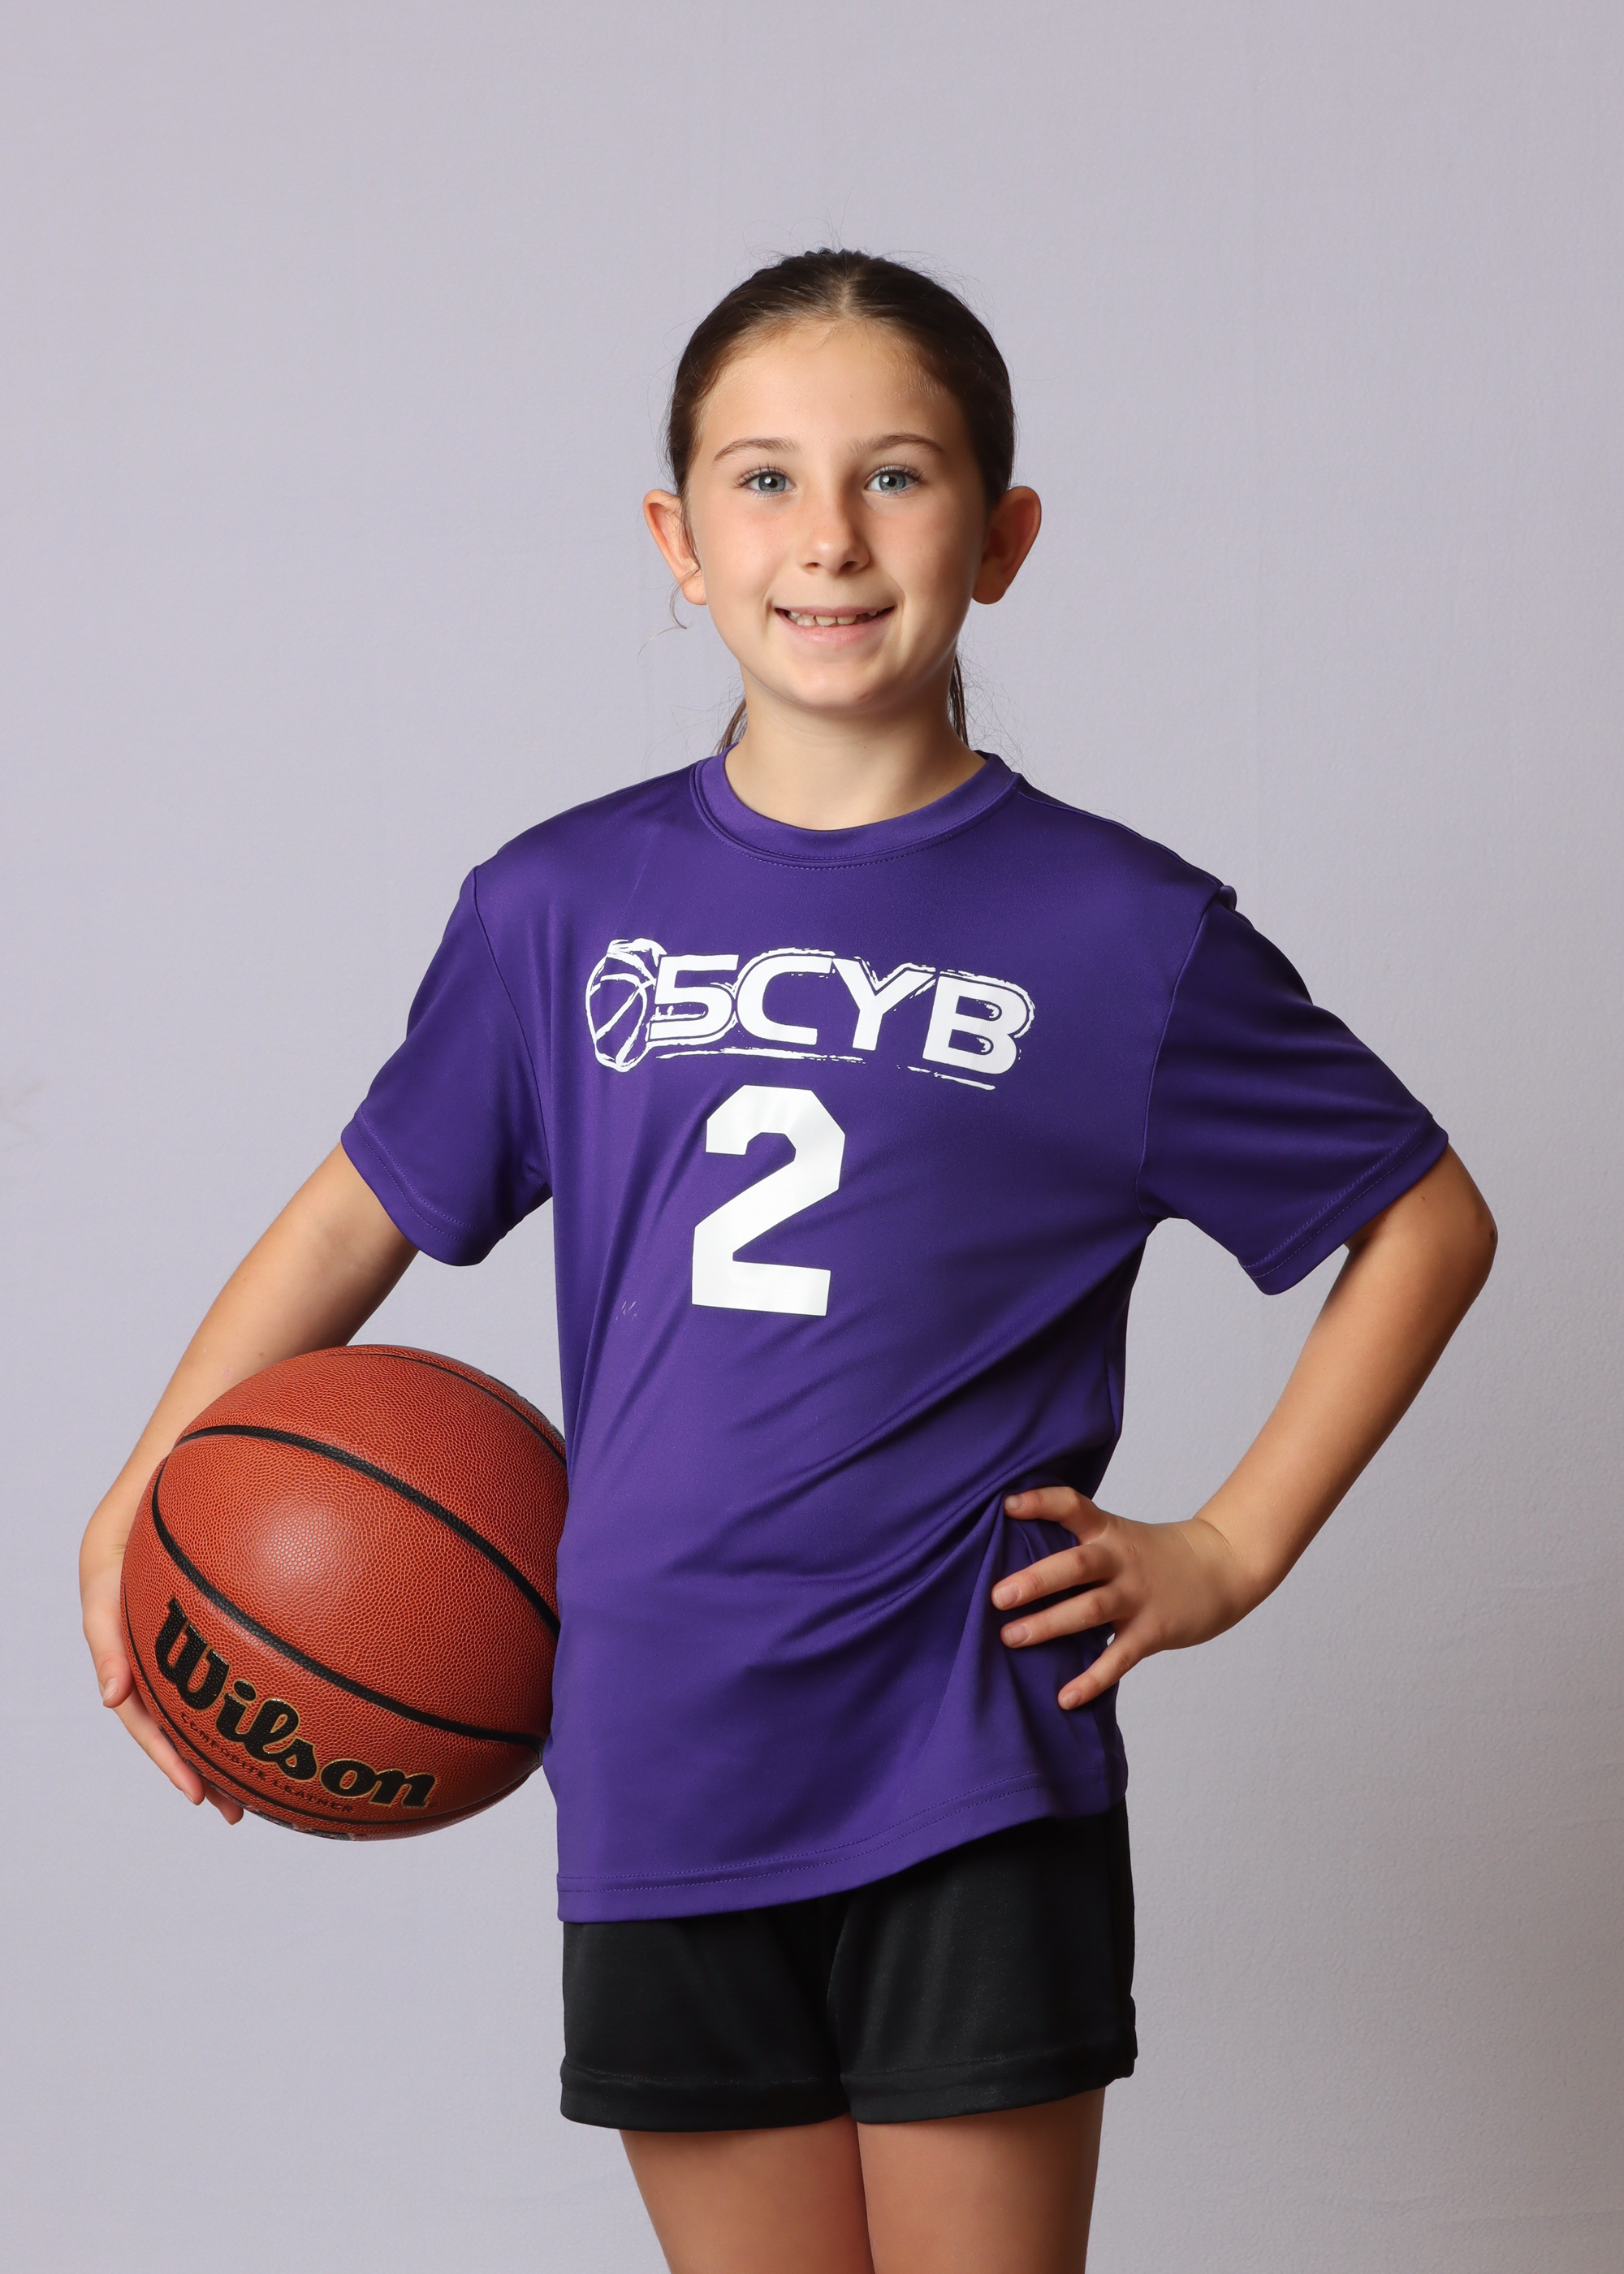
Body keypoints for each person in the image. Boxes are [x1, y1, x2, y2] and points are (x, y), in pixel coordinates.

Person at [80, 249, 1496, 2274]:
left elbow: (1422, 1215)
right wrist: (152, 1477)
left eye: (895, 475)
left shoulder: (1121, 932)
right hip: (656, 1751)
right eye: (763, 479)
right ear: (678, 540)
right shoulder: (559, 905)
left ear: (1001, 536)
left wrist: (1229, 1546)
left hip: (966, 1754)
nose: (827, 534)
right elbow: (346, 1215)